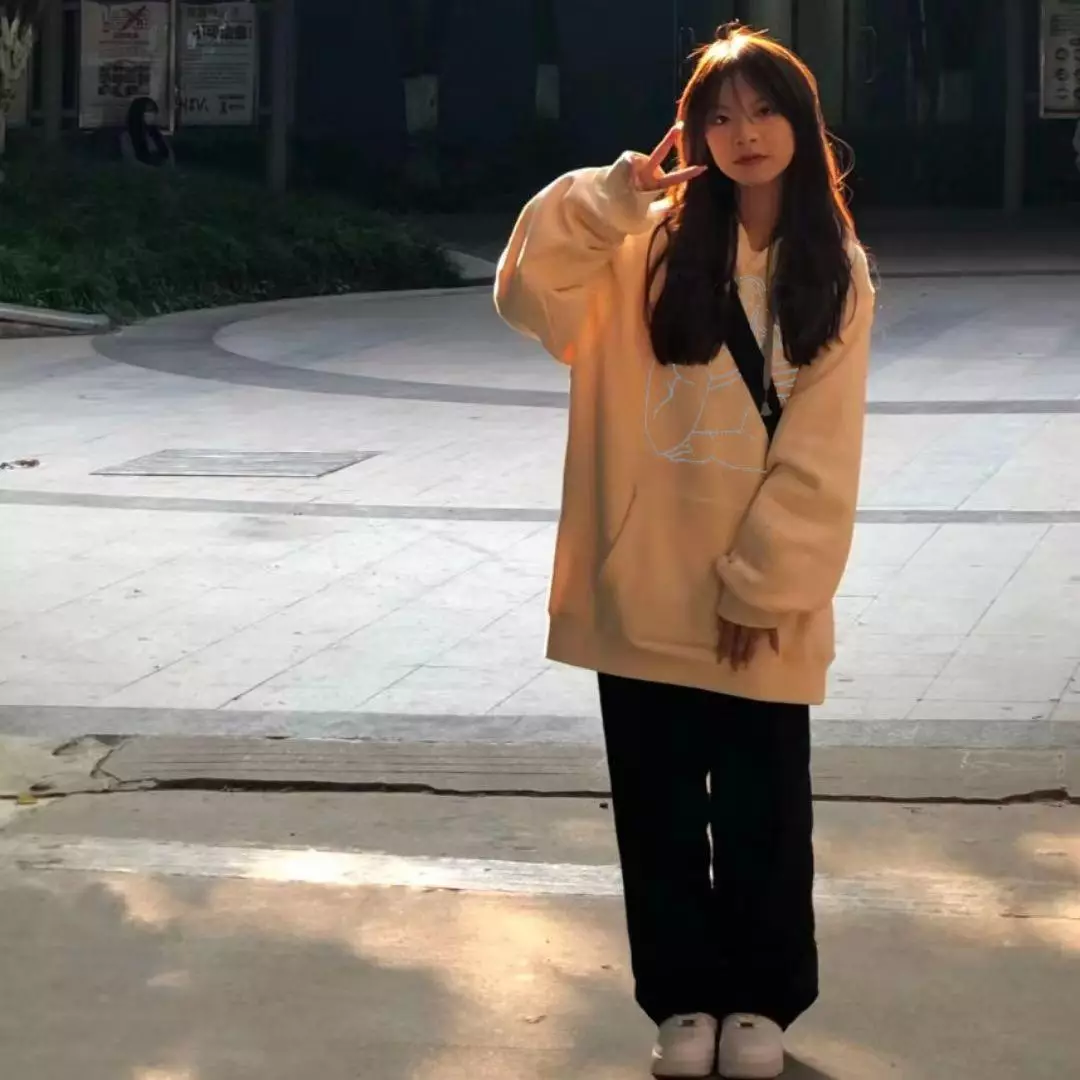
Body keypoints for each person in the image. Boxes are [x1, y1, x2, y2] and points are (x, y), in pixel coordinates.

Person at [494, 23, 874, 1080]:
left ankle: (760, 999)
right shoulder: (642, 247)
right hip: (642, 586)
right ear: (691, 131)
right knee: (657, 811)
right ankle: (680, 1001)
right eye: (720, 113)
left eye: (765, 110)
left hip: (757, 599)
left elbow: (822, 448)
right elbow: (526, 292)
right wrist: (605, 199)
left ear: (802, 124)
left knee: (764, 809)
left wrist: (763, 587)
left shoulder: (834, 271)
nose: (744, 132)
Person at [120, 97, 174, 168]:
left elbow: (170, 157)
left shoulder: (158, 136)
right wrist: (152, 170)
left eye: (154, 111)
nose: (152, 114)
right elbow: (131, 161)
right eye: (149, 111)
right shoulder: (127, 137)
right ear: (139, 113)